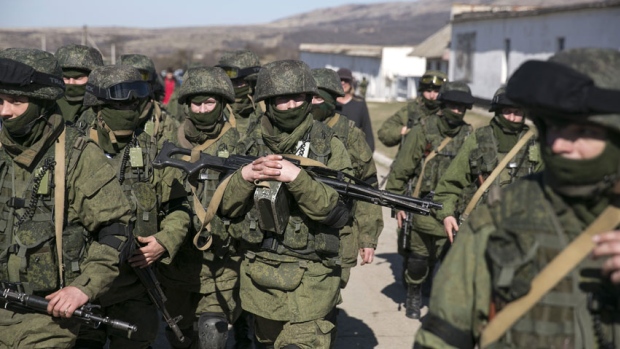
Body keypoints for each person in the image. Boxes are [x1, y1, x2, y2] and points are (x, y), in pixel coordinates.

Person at [414, 48, 620, 348]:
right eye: (554, 127)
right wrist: (448, 211)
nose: (560, 144)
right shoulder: (500, 218)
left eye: (582, 131)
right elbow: (442, 335)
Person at [0, 48, 133, 348]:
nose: (4, 111)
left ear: (42, 103)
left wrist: (82, 288)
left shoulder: (77, 155)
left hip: (46, 317)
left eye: (16, 102)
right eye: (0, 101)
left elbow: (115, 229)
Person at [220, 60, 353, 348]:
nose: (292, 105)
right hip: (261, 277)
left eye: (298, 97)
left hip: (313, 277)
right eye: (283, 98)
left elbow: (335, 211)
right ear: (268, 102)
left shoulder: (331, 145)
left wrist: (297, 178)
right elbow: (226, 209)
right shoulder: (250, 144)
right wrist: (244, 176)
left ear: (308, 99)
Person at [78, 64, 191, 349]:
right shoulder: (73, 149)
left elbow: (180, 204)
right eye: (118, 103)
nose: (127, 109)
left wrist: (164, 241)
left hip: (135, 285)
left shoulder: (154, 148)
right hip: (80, 283)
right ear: (97, 106)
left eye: (133, 102)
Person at [156, 66, 244, 349]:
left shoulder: (240, 140)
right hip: (177, 260)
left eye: (210, 103)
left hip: (221, 260)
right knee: (179, 334)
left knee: (212, 331)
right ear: (186, 105)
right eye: (197, 103)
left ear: (221, 105)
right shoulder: (167, 137)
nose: (203, 109)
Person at [385, 81, 474, 320]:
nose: (458, 111)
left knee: (446, 260)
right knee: (418, 259)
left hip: (452, 210)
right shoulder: (423, 130)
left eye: (462, 107)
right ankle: (413, 293)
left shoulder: (469, 135)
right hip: (421, 206)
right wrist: (398, 204)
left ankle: (434, 295)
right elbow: (402, 169)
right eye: (454, 106)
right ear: (443, 105)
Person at [432, 87, 543, 243]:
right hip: (479, 227)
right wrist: (447, 214)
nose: (512, 118)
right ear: (497, 111)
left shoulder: (535, 145)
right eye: (507, 111)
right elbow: (450, 183)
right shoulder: (479, 138)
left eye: (517, 112)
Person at [311, 67, 383, 288]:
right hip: (297, 233)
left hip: (340, 231)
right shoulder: (292, 128)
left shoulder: (349, 134)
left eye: (316, 98)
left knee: (332, 293)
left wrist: (367, 238)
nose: (308, 103)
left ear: (331, 100)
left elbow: (368, 187)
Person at [378, 70, 447, 148]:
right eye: (428, 91)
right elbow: (384, 133)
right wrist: (405, 130)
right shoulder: (412, 110)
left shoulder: (450, 112)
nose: (432, 95)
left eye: (436, 91)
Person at [216, 49, 263, 139]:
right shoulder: (214, 110)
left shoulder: (267, 109)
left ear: (252, 82)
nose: (232, 85)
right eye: (228, 81)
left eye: (238, 81)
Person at [54, 44, 103, 128]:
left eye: (78, 78)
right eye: (66, 78)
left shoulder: (103, 110)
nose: (71, 83)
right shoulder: (48, 108)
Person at [336, 67, 375, 152]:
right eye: (340, 80)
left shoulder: (359, 103)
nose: (343, 83)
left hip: (354, 153)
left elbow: (367, 130)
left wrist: (369, 153)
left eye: (346, 80)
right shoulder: (330, 103)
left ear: (351, 83)